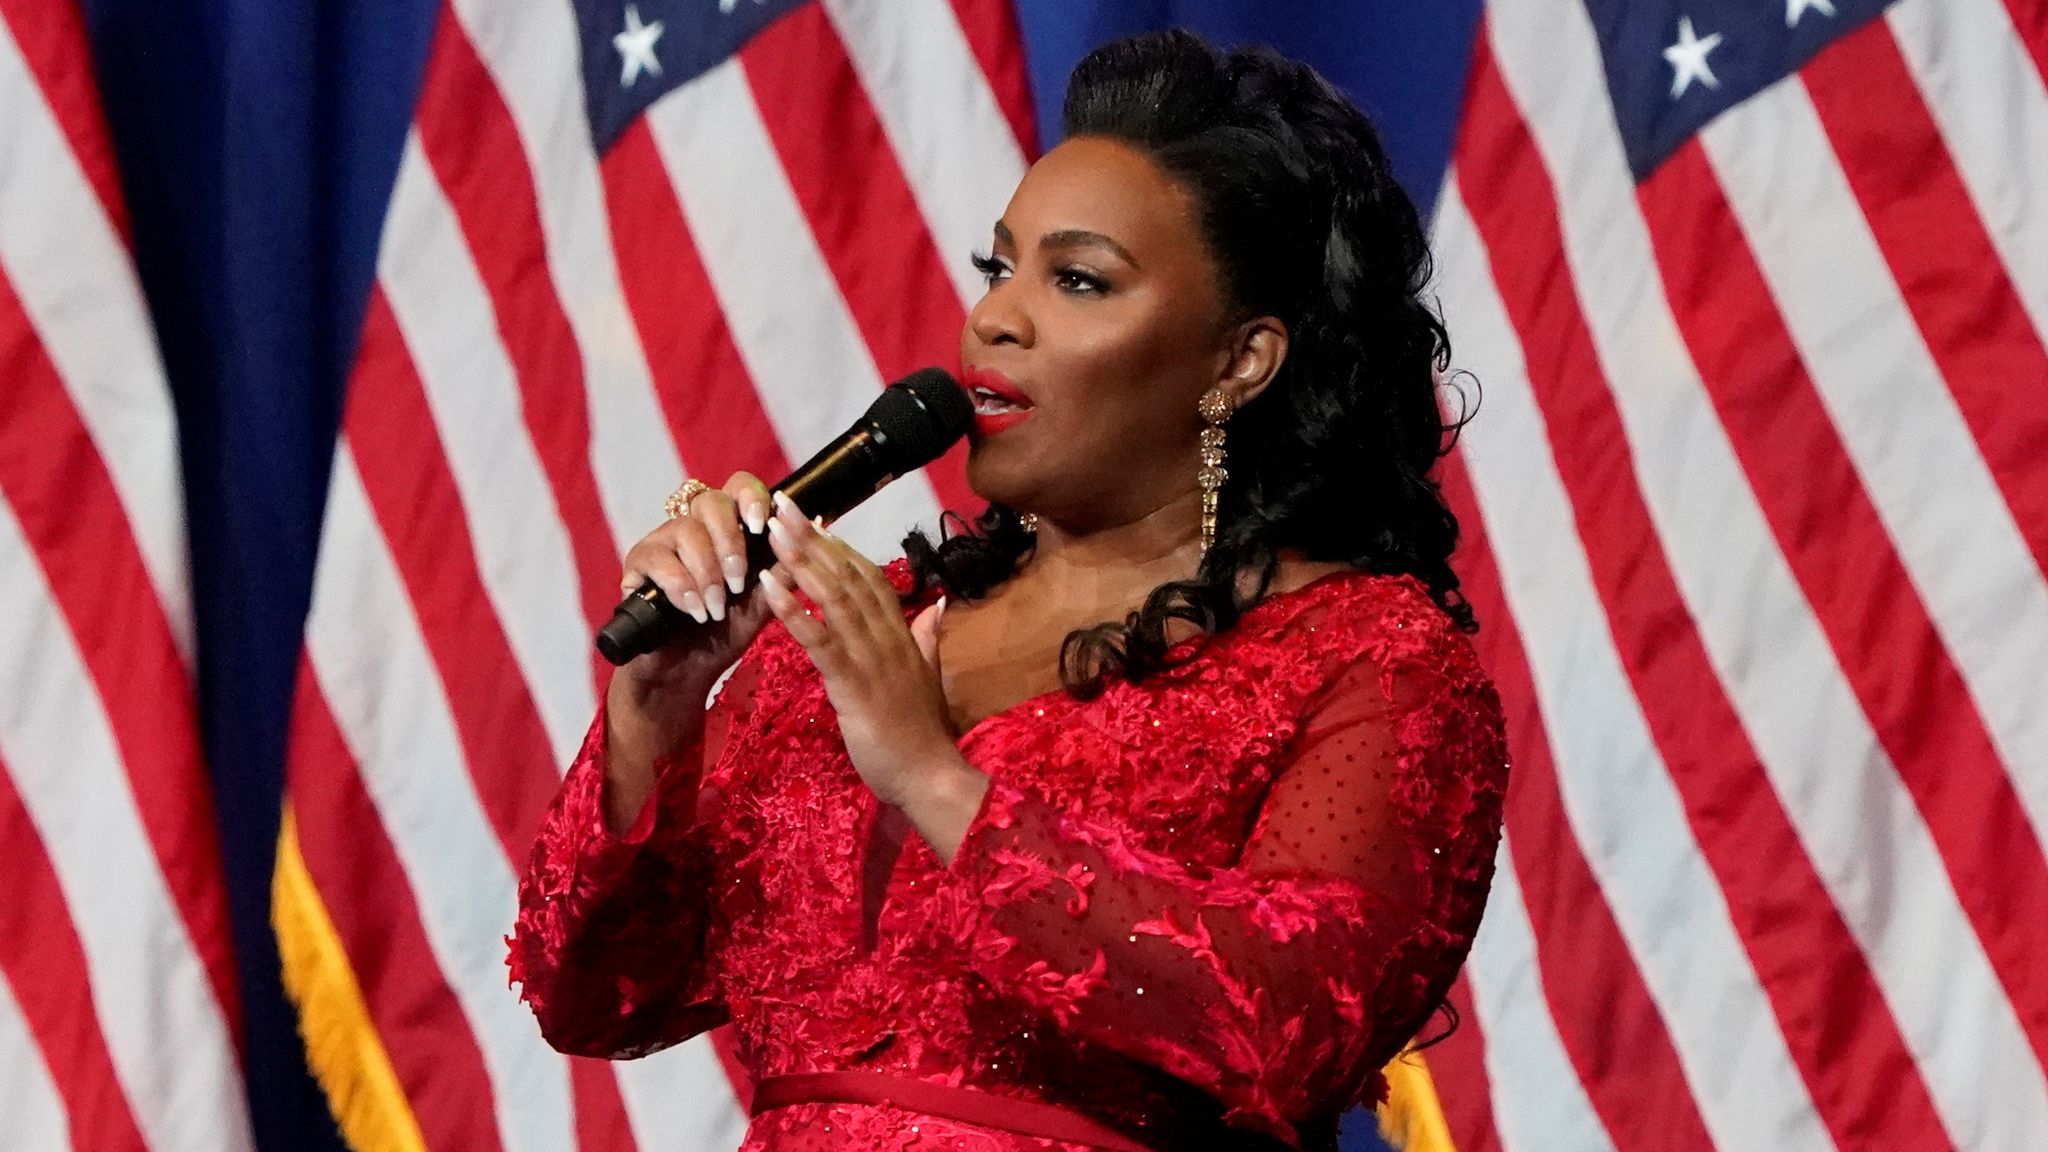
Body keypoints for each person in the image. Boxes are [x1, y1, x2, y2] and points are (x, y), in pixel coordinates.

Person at [509, 29, 1508, 1152]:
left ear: (1240, 361)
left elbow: (1293, 1027)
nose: (995, 317)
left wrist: (936, 783)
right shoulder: (859, 631)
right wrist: (657, 706)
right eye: (999, 267)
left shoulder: (1370, 659)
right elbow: (597, 999)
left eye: (1077, 279)